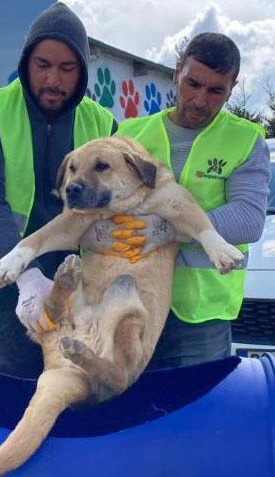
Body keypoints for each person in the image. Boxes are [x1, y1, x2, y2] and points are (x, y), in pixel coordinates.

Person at [84, 32, 270, 369]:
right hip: (129, 303)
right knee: (127, 410)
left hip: (199, 318)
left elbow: (248, 219)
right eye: (192, 84)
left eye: (216, 91)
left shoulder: (245, 141)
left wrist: (166, 230)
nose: (200, 100)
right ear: (176, 71)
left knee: (195, 415)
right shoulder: (129, 135)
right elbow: (100, 207)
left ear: (233, 87)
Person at [0, 3, 116, 378]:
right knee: (15, 392)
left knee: (77, 389)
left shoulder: (103, 123)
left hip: (77, 280)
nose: (53, 81)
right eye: (43, 65)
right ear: (26, 62)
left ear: (82, 71)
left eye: (67, 68)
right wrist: (26, 277)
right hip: (11, 282)